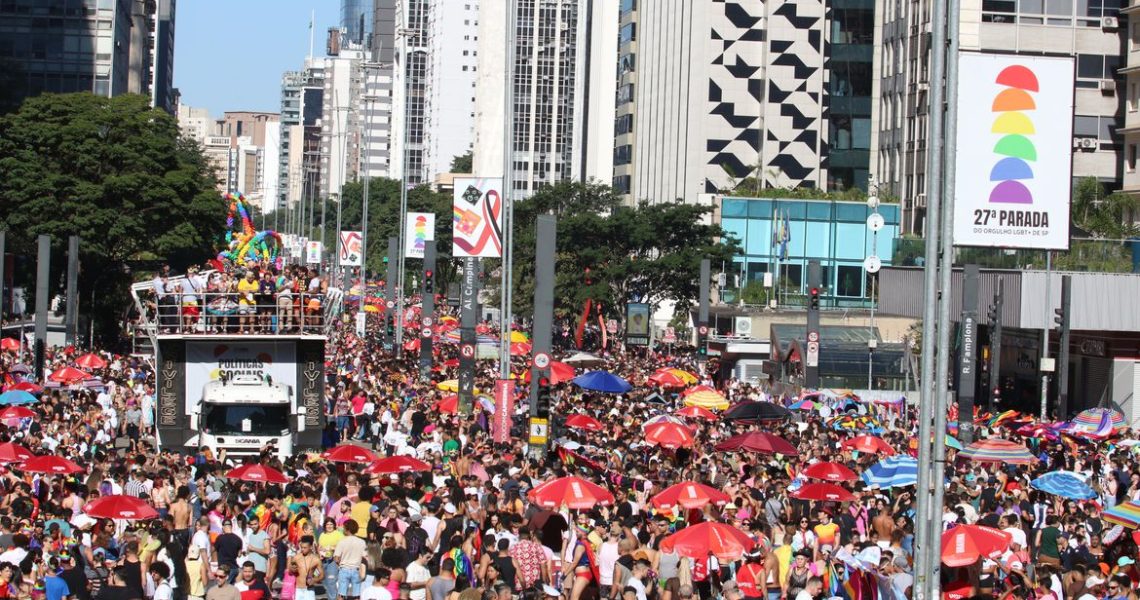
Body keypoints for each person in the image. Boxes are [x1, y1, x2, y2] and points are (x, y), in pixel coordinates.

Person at [335, 521, 368, 600]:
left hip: (344, 568)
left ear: (347, 529)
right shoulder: (362, 542)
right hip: (357, 569)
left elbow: (336, 558)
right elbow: (365, 556)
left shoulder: (342, 541)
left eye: (344, 528)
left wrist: (339, 564)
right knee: (356, 595)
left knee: (341, 595)